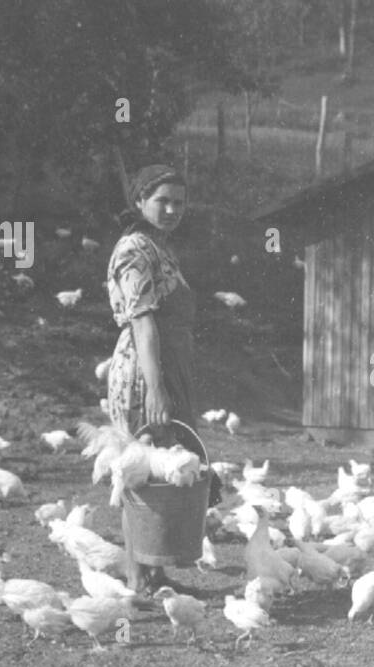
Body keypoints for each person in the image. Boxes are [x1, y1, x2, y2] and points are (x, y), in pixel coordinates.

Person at [104, 164, 219, 594]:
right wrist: (155, 387)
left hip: (170, 363)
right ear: (139, 202)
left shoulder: (160, 247)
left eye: (179, 202)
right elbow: (143, 322)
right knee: (141, 465)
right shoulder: (135, 249)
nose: (171, 209)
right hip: (143, 368)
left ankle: (155, 570)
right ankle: (136, 576)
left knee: (164, 468)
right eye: (162, 201)